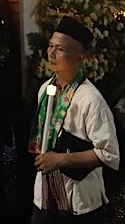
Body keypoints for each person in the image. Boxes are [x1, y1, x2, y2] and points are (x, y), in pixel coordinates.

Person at [31, 16, 119, 223]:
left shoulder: (91, 100)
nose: (51, 53)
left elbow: (109, 154)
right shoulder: (45, 89)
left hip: (77, 201)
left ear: (80, 57)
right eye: (50, 46)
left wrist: (61, 159)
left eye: (60, 49)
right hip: (45, 195)